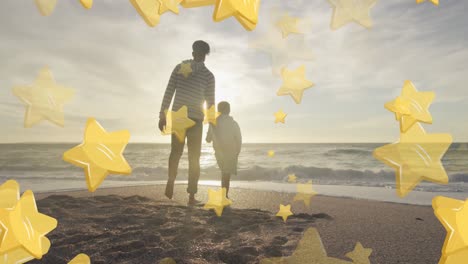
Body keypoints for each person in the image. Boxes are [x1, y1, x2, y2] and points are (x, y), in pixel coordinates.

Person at [158, 40, 215, 205]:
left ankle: (171, 180)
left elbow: (169, 91)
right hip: (196, 119)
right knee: (194, 158)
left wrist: (162, 115)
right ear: (205, 55)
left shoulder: (179, 68)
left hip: (178, 118)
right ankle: (191, 196)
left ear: (192, 53)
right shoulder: (209, 76)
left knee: (175, 152)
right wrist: (212, 127)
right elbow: (211, 104)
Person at [206, 101, 242, 198]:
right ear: (229, 110)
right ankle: (225, 195)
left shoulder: (213, 122)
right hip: (231, 152)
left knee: (224, 173)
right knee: (226, 175)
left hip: (218, 152)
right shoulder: (234, 123)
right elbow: (238, 139)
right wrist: (237, 152)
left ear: (218, 110)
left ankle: (224, 194)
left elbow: (208, 140)